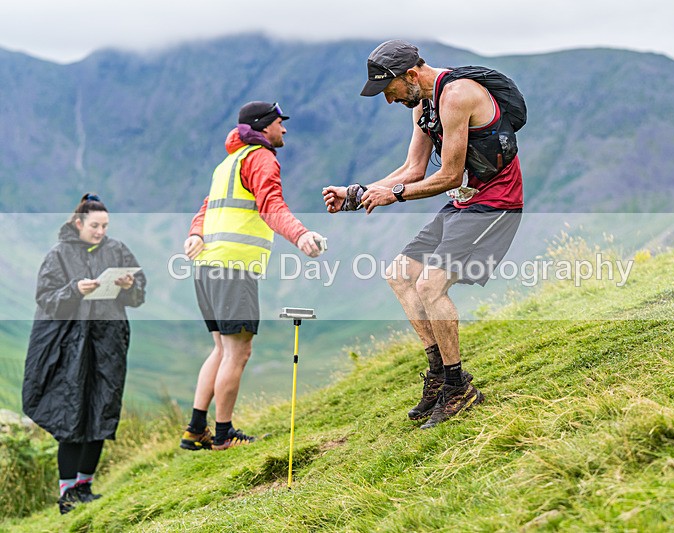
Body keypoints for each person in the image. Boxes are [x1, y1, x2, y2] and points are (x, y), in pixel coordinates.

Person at [323, 40, 524, 429]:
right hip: (464, 201)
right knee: (400, 274)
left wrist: (392, 195)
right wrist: (356, 194)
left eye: (389, 90)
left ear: (411, 75)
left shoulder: (458, 95)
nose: (388, 100)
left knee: (431, 285)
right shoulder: (422, 104)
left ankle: (458, 387)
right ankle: (439, 375)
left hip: (496, 203)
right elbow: (413, 169)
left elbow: (447, 175)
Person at [181, 101, 325, 451]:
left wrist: (195, 233)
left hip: (206, 266)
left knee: (220, 348)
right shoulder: (260, 158)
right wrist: (301, 234)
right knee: (238, 352)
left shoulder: (227, 163)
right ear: (264, 127)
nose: (284, 129)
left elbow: (206, 208)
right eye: (279, 122)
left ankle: (196, 429)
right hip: (233, 268)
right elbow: (270, 205)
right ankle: (223, 433)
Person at [22, 194, 146, 514]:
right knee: (71, 414)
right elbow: (46, 298)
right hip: (69, 348)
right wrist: (75, 289)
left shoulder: (117, 249)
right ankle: (67, 495)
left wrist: (129, 284)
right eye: (94, 225)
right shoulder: (58, 255)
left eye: (105, 225)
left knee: (101, 411)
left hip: (108, 344)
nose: (100, 231)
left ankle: (85, 487)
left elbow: (138, 295)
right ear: (78, 223)